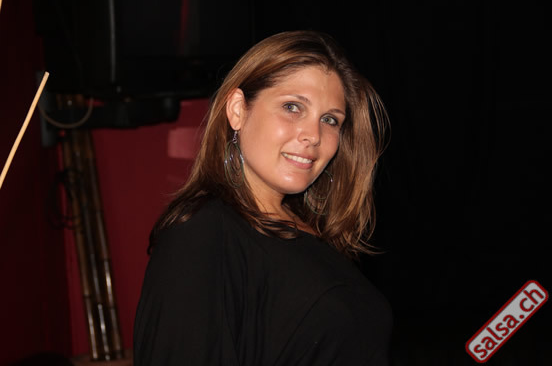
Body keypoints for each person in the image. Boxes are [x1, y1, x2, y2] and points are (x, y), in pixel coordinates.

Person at [134, 30, 392, 365]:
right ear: (237, 110)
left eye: (330, 120)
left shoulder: (317, 233)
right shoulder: (203, 233)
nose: (313, 135)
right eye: (292, 107)